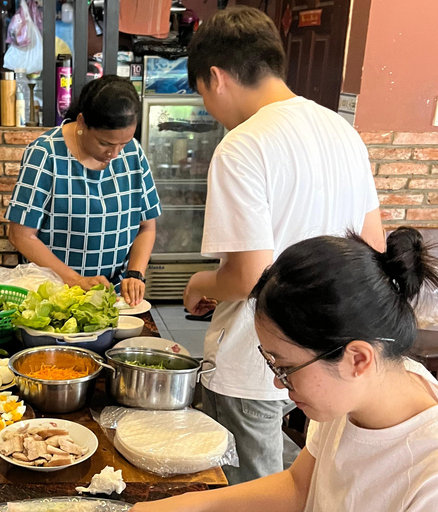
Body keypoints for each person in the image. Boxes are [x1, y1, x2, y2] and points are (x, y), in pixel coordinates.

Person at [181, 6, 385, 484]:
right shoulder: (343, 132)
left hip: (256, 360)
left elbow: (249, 276)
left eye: (201, 95)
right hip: (330, 358)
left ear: (216, 77)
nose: (209, 109)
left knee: (252, 487)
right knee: (311, 478)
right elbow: (372, 245)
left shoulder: (242, 145)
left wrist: (199, 283)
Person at [133, 228, 438, 512]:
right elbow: (300, 487)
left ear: (358, 359)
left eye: (284, 366)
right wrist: (187, 506)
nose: (277, 380)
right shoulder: (357, 392)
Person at [6, 75, 161, 306]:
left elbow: (146, 226)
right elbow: (21, 235)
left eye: (123, 143)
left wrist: (135, 273)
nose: (115, 153)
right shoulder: (46, 153)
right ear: (81, 122)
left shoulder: (133, 153)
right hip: (56, 295)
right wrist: (74, 280)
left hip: (115, 296)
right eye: (104, 143)